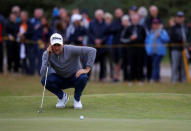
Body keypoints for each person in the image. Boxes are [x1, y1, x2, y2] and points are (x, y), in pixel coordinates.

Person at [40, 33, 96, 109]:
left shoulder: (70, 49)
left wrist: (87, 69)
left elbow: (92, 51)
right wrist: (47, 55)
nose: (56, 48)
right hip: (61, 79)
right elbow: (43, 74)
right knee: (44, 80)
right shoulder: (47, 54)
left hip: (75, 77)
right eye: (54, 45)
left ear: (62, 44)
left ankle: (77, 99)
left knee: (83, 77)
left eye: (58, 45)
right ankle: (62, 97)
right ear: (50, 45)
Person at [88, 9, 107, 81]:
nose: (99, 16)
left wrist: (101, 40)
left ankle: (102, 77)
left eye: (101, 15)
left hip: (102, 46)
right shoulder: (92, 23)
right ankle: (88, 77)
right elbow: (89, 33)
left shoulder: (105, 24)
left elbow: (107, 34)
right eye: (98, 15)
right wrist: (95, 40)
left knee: (103, 63)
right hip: (93, 46)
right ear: (96, 16)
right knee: (90, 62)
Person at [125, 14, 146, 82]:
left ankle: (140, 79)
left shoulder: (141, 28)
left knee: (140, 64)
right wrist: (130, 38)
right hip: (131, 49)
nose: (135, 21)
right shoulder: (128, 28)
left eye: (136, 20)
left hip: (140, 49)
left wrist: (137, 38)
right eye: (133, 19)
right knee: (131, 64)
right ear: (132, 20)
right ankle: (131, 79)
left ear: (138, 20)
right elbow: (124, 38)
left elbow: (144, 37)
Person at [168, 11, 188, 83]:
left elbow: (188, 36)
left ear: (183, 18)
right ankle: (174, 80)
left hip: (184, 49)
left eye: (181, 17)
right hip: (175, 49)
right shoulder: (173, 27)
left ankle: (184, 80)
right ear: (176, 18)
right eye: (178, 17)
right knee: (175, 65)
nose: (180, 19)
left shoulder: (185, 27)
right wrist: (180, 40)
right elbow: (172, 37)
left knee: (184, 66)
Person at [110, 8, 124, 82]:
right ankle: (116, 76)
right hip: (115, 44)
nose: (118, 14)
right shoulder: (114, 22)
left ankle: (119, 76)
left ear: (122, 13)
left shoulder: (125, 20)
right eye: (117, 13)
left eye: (119, 12)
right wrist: (120, 27)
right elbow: (111, 30)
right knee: (115, 61)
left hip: (123, 44)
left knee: (121, 61)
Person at [120, 15, 130, 81]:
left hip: (129, 49)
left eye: (124, 21)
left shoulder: (130, 28)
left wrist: (123, 40)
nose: (123, 22)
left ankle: (129, 77)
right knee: (124, 64)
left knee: (129, 64)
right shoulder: (122, 28)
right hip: (124, 49)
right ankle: (125, 78)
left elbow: (129, 39)